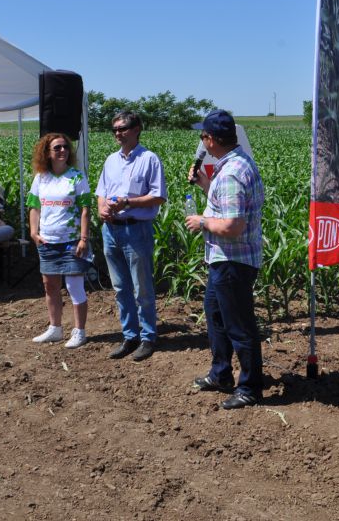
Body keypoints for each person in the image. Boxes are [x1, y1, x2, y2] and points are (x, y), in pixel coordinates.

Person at [184, 109, 265, 410]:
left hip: (233, 260)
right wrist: (206, 184)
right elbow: (225, 206)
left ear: (212, 139)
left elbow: (233, 225)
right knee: (216, 316)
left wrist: (201, 222)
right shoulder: (231, 165)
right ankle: (221, 374)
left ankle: (250, 387)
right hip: (223, 259)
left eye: (203, 136)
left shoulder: (231, 173)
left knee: (239, 325)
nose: (201, 141)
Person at [95, 111, 167, 362]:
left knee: (142, 287)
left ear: (137, 129)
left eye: (122, 128)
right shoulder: (110, 160)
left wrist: (128, 201)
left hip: (136, 229)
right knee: (119, 287)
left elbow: (158, 196)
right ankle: (129, 336)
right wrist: (102, 209)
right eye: (114, 129)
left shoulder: (149, 159)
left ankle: (148, 337)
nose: (117, 133)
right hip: (111, 229)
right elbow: (101, 192)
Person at [27, 133, 91, 349]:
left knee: (75, 287)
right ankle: (55, 329)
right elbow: (34, 206)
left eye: (65, 147)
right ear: (47, 152)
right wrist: (34, 233)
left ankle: (79, 331)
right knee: (50, 286)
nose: (62, 151)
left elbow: (85, 210)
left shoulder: (77, 176)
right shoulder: (40, 177)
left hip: (71, 241)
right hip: (47, 241)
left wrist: (84, 238)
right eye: (57, 148)